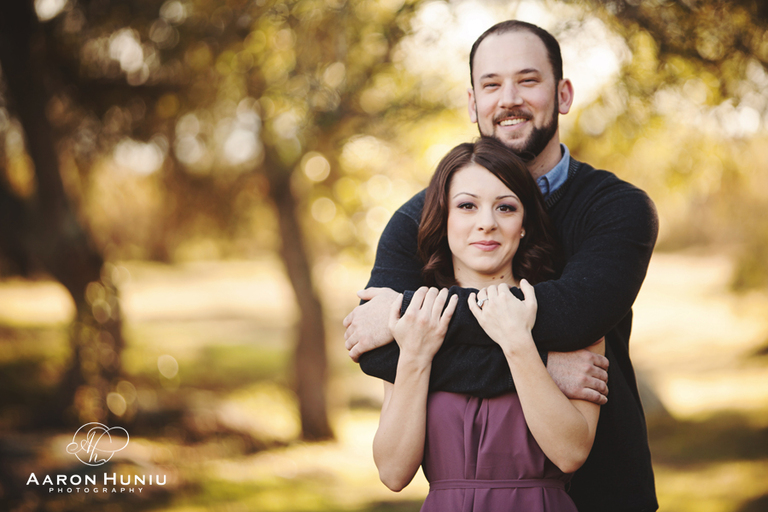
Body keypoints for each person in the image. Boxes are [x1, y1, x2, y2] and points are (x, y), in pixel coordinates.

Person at [344, 20, 659, 512]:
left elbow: (575, 317)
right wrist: (549, 367)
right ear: (473, 103)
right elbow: (381, 353)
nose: (508, 98)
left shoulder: (616, 209)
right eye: (491, 84)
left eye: (528, 80)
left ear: (563, 93)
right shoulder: (420, 218)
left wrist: (410, 315)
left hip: (606, 491)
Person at [374, 137, 604, 511]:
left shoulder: (568, 320)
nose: (487, 224)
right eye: (467, 206)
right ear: (444, 218)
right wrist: (415, 355)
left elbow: (570, 453)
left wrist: (518, 342)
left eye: (506, 208)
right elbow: (393, 473)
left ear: (524, 224)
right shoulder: (414, 318)